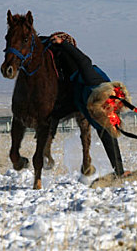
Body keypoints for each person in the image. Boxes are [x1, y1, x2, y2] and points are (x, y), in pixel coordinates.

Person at [48, 33, 126, 176]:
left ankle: (119, 171)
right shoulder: (92, 80)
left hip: (77, 87)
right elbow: (83, 60)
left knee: (107, 135)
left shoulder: (100, 115)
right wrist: (63, 43)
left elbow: (109, 138)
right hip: (77, 74)